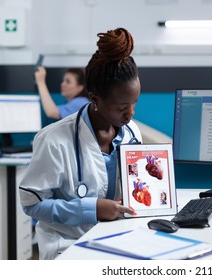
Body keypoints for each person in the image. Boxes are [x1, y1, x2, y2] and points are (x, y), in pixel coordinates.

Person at [19, 27, 142, 260]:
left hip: (120, 240)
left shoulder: (132, 133)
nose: (131, 114)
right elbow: (32, 205)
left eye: (135, 103)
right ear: (94, 98)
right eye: (122, 107)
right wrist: (90, 209)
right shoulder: (54, 140)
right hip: (68, 246)